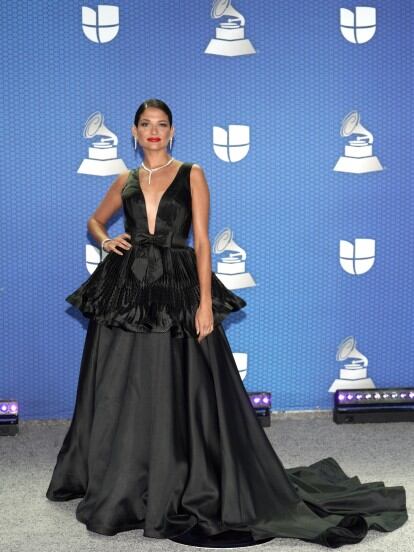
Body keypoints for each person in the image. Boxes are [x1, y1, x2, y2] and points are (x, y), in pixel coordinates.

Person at [46, 98, 408, 548]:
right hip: (128, 288)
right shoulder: (126, 179)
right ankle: (127, 476)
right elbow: (95, 222)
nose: (154, 131)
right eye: (145, 124)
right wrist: (106, 240)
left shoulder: (192, 173)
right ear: (134, 133)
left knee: (181, 385)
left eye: (162, 124)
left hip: (178, 287)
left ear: (172, 132)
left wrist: (203, 303)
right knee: (123, 386)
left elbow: (201, 244)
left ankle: (179, 473)